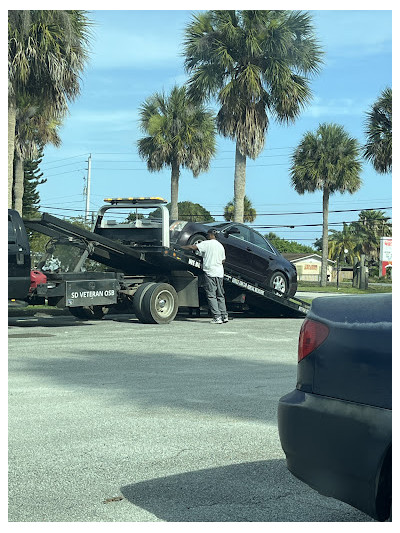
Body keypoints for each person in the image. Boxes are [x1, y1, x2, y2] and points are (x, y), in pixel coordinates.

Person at [181, 229, 228, 324]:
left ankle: (217, 317)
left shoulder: (207, 243)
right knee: (220, 295)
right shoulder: (220, 246)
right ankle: (224, 316)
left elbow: (193, 247)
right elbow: (223, 261)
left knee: (211, 295)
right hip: (219, 273)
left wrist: (181, 247)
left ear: (211, 235)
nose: (207, 236)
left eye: (208, 234)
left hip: (210, 272)